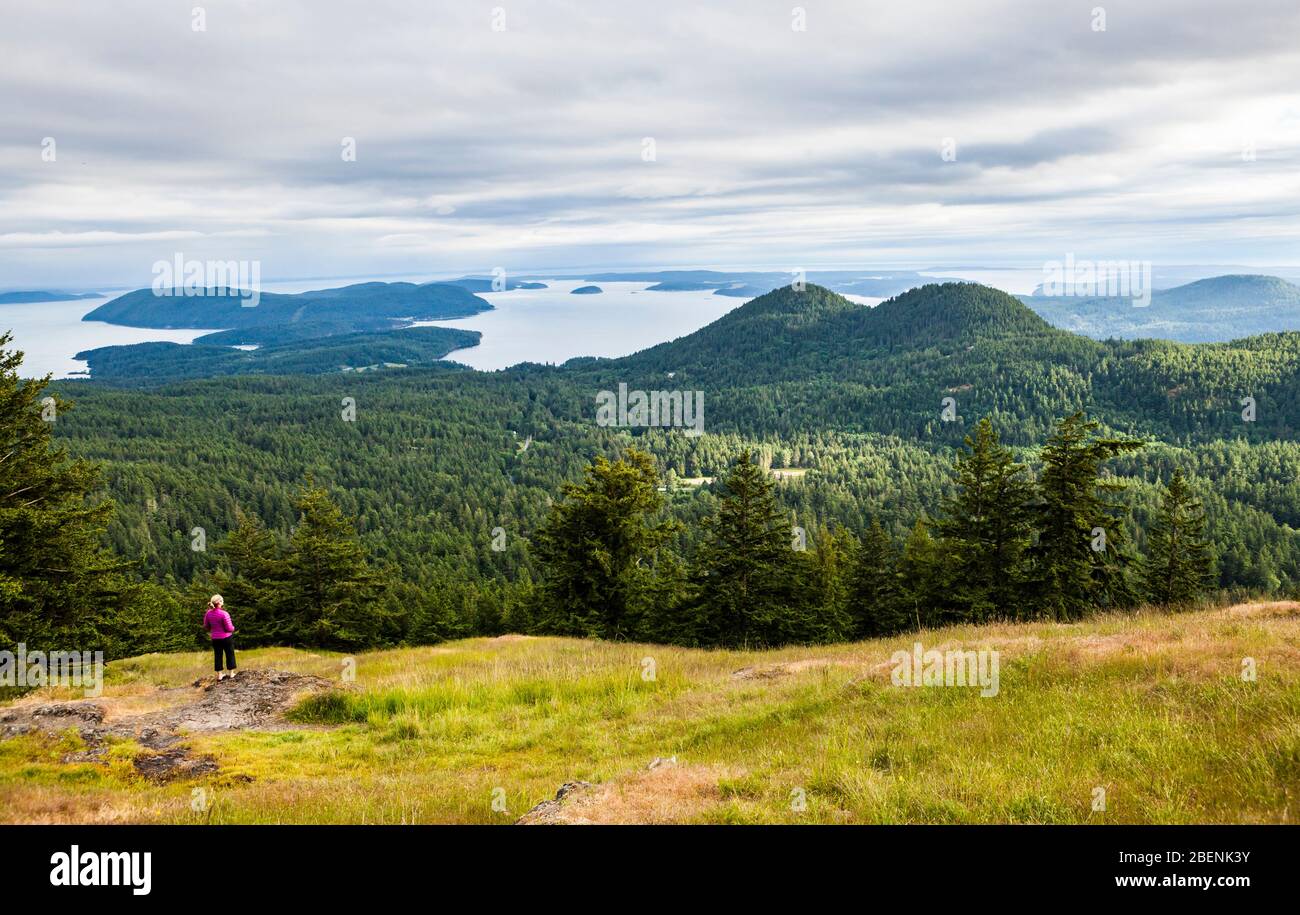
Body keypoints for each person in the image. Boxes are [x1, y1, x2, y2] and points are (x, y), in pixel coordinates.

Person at [203, 595, 238, 680]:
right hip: (226, 638)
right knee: (230, 654)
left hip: (215, 638)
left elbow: (206, 626)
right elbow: (229, 628)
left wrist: (213, 629)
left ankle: (220, 675)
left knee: (218, 655)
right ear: (219, 602)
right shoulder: (224, 613)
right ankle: (231, 673)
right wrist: (233, 628)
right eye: (222, 600)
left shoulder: (208, 613)